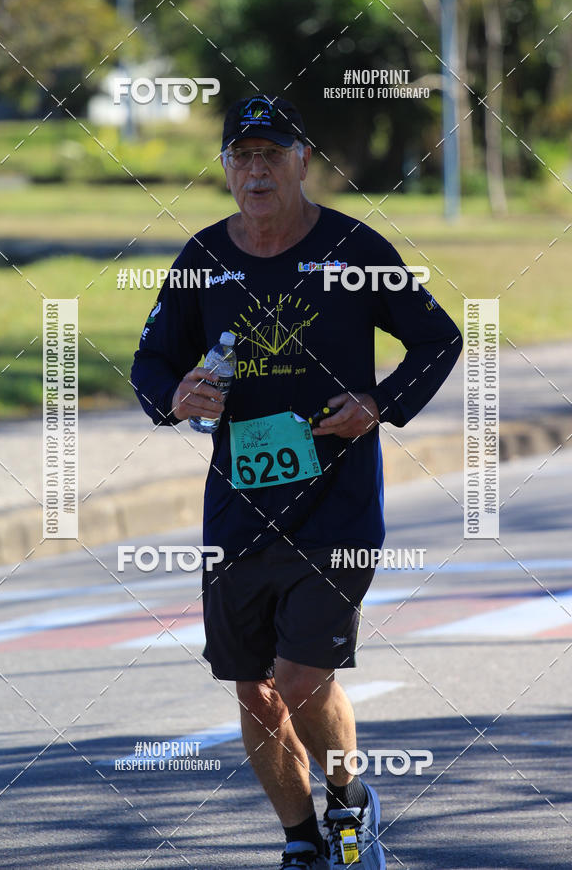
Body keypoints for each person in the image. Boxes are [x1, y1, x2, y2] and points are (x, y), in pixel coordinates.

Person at [131, 95, 462, 869]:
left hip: (336, 501)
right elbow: (150, 362)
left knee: (301, 675)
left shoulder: (352, 247)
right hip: (239, 499)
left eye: (270, 155)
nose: (255, 171)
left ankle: (351, 805)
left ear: (302, 160)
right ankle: (302, 844)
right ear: (224, 169)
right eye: (240, 157)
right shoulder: (205, 257)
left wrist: (378, 404)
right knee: (253, 689)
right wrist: (173, 397)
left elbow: (438, 340)